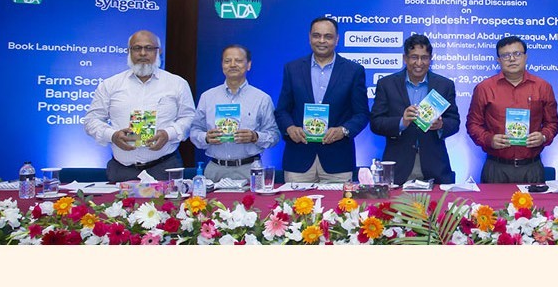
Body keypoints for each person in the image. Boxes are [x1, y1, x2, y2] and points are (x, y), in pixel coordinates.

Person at [84, 30, 196, 182]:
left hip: (164, 167)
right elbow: (91, 121)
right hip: (121, 170)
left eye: (149, 48)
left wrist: (168, 134)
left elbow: (189, 118)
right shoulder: (110, 85)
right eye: (137, 48)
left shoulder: (177, 84)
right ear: (128, 51)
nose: (143, 53)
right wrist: (113, 135)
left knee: (170, 207)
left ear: (159, 51)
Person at [274, 16, 369, 183]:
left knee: (341, 208)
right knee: (293, 208)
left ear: (337, 39)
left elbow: (361, 114)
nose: (322, 41)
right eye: (317, 35)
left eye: (328, 36)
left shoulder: (353, 71)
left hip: (338, 161)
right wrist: (289, 128)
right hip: (298, 159)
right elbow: (282, 110)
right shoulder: (292, 69)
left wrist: (343, 130)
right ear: (309, 37)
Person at [466, 36, 558, 183]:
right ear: (498, 60)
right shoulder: (484, 88)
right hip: (496, 167)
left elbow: (552, 123)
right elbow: (473, 124)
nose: (512, 59)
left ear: (525, 57)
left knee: (536, 207)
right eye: (505, 55)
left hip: (532, 167)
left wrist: (543, 137)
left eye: (517, 54)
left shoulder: (543, 87)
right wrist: (489, 139)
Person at [370, 34, 460, 184]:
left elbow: (455, 122)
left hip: (435, 167)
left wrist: (441, 125)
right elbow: (376, 123)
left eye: (424, 57)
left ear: (430, 59)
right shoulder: (386, 84)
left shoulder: (444, 85)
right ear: (405, 58)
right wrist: (401, 122)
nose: (419, 63)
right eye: (414, 57)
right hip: (398, 167)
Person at [189, 45, 280, 182]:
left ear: (248, 65)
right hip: (215, 169)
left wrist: (255, 136)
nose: (232, 65)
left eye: (238, 60)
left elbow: (274, 136)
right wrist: (206, 137)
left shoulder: (262, 98)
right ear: (222, 65)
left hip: (249, 169)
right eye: (227, 61)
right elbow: (194, 130)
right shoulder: (207, 97)